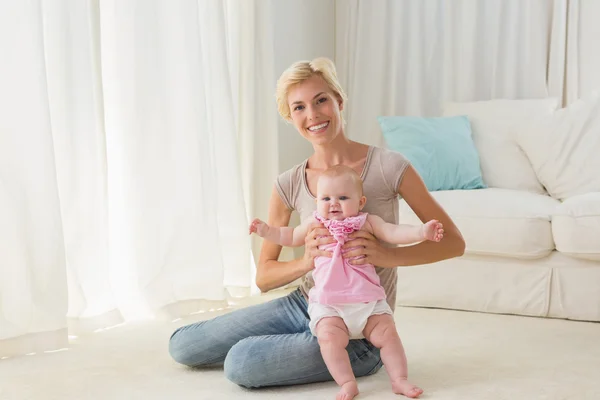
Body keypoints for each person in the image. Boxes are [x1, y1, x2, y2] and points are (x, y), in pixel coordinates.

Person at [168, 57, 465, 396]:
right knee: (184, 346)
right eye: (299, 107)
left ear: (339, 101)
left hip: (362, 328)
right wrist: (306, 261)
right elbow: (264, 277)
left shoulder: (388, 166)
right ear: (290, 117)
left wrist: (385, 255)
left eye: (321, 100)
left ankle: (337, 355)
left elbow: (454, 243)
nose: (313, 115)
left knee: (241, 362)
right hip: (307, 303)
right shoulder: (288, 183)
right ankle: (297, 342)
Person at [249, 164, 444, 399]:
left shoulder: (367, 221)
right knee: (329, 340)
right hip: (329, 303)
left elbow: (394, 232)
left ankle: (399, 379)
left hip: (368, 301)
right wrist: (265, 231)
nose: (333, 203)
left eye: (342, 197)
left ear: (360, 202)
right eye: (326, 198)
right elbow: (288, 236)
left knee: (388, 336)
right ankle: (346, 382)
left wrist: (421, 232)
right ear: (317, 202)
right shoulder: (314, 222)